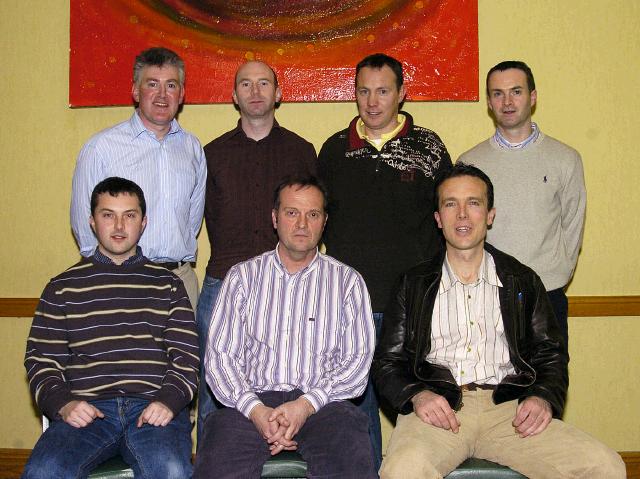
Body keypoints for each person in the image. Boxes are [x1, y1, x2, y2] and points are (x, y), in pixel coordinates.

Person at [372, 163, 624, 479]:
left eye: (473, 203)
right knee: (402, 471)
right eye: (451, 204)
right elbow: (387, 363)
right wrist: (417, 394)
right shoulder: (412, 284)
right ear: (438, 218)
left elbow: (550, 354)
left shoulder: (522, 280)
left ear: (490, 214)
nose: (462, 214)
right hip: (439, 410)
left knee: (605, 466)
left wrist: (542, 396)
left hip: (509, 410)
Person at [318, 52, 452, 468]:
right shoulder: (334, 151)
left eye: (383, 91)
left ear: (401, 93)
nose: (372, 101)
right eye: (363, 91)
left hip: (414, 308)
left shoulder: (428, 147)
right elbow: (316, 222)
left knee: (418, 407)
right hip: (351, 307)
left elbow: (448, 218)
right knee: (358, 414)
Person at [193, 176, 377, 478]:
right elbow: (220, 358)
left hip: (323, 404)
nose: (302, 223)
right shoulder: (242, 277)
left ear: (324, 221)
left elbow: (357, 362)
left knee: (351, 453)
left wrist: (305, 405)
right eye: (292, 212)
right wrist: (256, 410)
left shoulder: (347, 282)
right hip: (250, 401)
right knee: (216, 460)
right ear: (275, 218)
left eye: (313, 214)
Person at [23, 177, 199, 479]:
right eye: (108, 215)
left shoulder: (168, 285)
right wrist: (63, 404)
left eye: (129, 215)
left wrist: (168, 401)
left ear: (143, 222)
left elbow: (187, 358)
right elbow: (41, 361)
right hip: (87, 412)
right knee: (43, 471)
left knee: (171, 471)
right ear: (92, 222)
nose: (119, 226)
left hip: (152, 409)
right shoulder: (62, 288)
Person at [195, 60, 316, 441]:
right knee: (216, 387)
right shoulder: (211, 154)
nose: (255, 90)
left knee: (288, 381)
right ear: (234, 96)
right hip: (222, 283)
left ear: (279, 93)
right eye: (245, 84)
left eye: (264, 83)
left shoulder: (301, 151)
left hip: (287, 285)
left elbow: (310, 220)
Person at [459, 60, 586, 344]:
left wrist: (555, 277)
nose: (507, 101)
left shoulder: (565, 159)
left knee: (546, 386)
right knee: (489, 388)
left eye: (516, 91)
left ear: (533, 96)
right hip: (486, 297)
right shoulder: (470, 163)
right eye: (497, 93)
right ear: (489, 102)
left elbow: (573, 227)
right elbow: (462, 230)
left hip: (546, 297)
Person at [70, 47, 207, 310]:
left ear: (182, 94)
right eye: (152, 84)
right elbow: (83, 225)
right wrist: (103, 278)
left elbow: (192, 221)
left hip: (180, 281)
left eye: (171, 85)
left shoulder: (192, 148)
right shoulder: (102, 148)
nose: (162, 95)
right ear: (135, 91)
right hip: (120, 280)